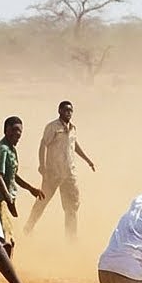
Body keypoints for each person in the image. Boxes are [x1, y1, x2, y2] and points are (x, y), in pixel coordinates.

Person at [24, 100, 96, 239]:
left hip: (69, 174)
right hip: (53, 173)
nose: (68, 113)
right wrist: (42, 166)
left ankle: (71, 238)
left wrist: (87, 160)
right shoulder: (52, 127)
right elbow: (43, 145)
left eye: (70, 110)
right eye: (66, 110)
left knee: (72, 207)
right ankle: (28, 227)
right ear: (60, 111)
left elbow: (74, 145)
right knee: (42, 201)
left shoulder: (73, 128)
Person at [0, 116, 44, 257]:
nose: (18, 134)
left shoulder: (11, 149)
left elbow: (13, 175)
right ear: (6, 130)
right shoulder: (2, 149)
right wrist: (8, 198)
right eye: (15, 130)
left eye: (20, 131)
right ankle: (3, 270)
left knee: (4, 239)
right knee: (5, 240)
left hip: (3, 202)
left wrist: (31, 189)